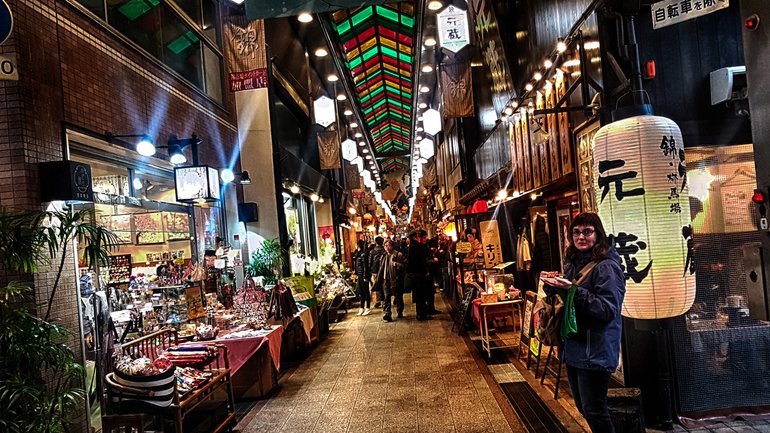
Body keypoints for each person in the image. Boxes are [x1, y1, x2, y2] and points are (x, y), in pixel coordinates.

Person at [540, 212, 625, 433]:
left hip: (595, 349)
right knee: (584, 407)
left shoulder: (606, 266)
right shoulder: (574, 261)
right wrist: (552, 285)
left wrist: (573, 291)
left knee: (594, 409)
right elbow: (567, 300)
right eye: (576, 232)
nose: (581, 237)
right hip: (576, 346)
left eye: (587, 231)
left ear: (598, 234)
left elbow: (608, 309)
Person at [373, 239, 406, 321]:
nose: (387, 247)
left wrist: (397, 264)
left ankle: (400, 311)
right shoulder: (383, 256)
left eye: (389, 245)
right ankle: (388, 314)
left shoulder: (398, 255)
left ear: (392, 246)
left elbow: (405, 266)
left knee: (398, 296)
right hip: (385, 279)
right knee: (386, 296)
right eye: (385, 246)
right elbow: (381, 267)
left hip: (396, 279)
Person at [405, 230, 432, 320]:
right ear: (414, 237)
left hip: (415, 274)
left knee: (419, 295)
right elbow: (421, 261)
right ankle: (421, 314)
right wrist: (425, 271)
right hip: (418, 275)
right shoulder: (415, 247)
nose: (419, 238)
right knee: (421, 295)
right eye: (418, 236)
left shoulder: (411, 247)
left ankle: (420, 313)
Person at [353, 239, 371, 316]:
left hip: (363, 275)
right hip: (360, 275)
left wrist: (365, 276)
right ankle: (361, 307)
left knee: (366, 292)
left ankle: (367, 308)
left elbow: (365, 266)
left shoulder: (363, 254)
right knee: (361, 292)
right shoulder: (358, 254)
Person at [369, 236, 386, 309]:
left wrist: (371, 269)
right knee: (383, 285)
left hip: (375, 271)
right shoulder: (385, 250)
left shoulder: (372, 251)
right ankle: (384, 301)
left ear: (375, 242)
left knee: (376, 285)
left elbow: (370, 263)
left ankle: (377, 301)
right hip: (384, 270)